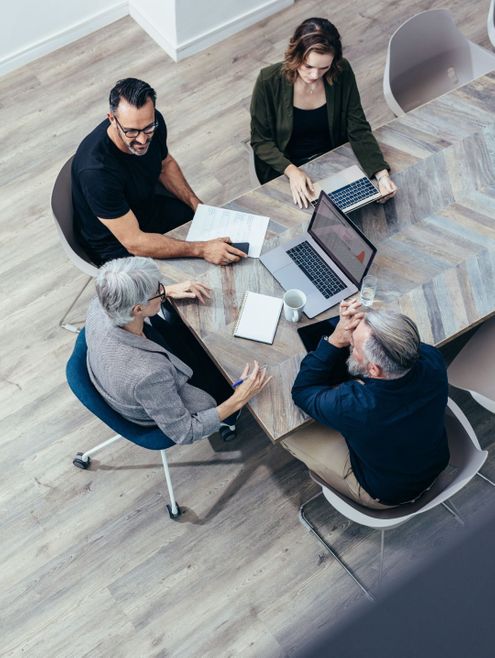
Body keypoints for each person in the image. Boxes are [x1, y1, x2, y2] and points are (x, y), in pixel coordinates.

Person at [85, 256, 271, 444]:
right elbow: (185, 432)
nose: (162, 290)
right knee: (233, 365)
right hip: (160, 399)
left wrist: (168, 291)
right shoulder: (149, 376)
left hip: (122, 370)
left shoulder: (101, 303)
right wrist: (238, 399)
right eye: (157, 291)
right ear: (138, 309)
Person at [284, 300, 449, 508]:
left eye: (353, 346)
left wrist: (335, 340)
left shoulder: (355, 406)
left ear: (373, 370)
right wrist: (369, 323)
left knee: (289, 433)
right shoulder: (432, 359)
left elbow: (302, 391)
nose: (349, 342)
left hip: (388, 493)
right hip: (435, 461)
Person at [72, 77, 246, 266]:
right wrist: (202, 249)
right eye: (131, 131)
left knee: (220, 237)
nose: (142, 139)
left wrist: (196, 205)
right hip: (116, 244)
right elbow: (134, 242)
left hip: (147, 208)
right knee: (193, 273)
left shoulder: (155, 122)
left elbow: (166, 165)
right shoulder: (96, 172)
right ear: (112, 120)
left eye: (148, 128)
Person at [250, 17, 398, 208]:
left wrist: (381, 174)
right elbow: (260, 141)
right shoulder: (268, 81)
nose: (314, 75)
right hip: (287, 168)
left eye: (324, 68)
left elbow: (358, 127)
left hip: (335, 159)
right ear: (295, 56)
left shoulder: (341, 71)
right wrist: (292, 172)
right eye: (308, 66)